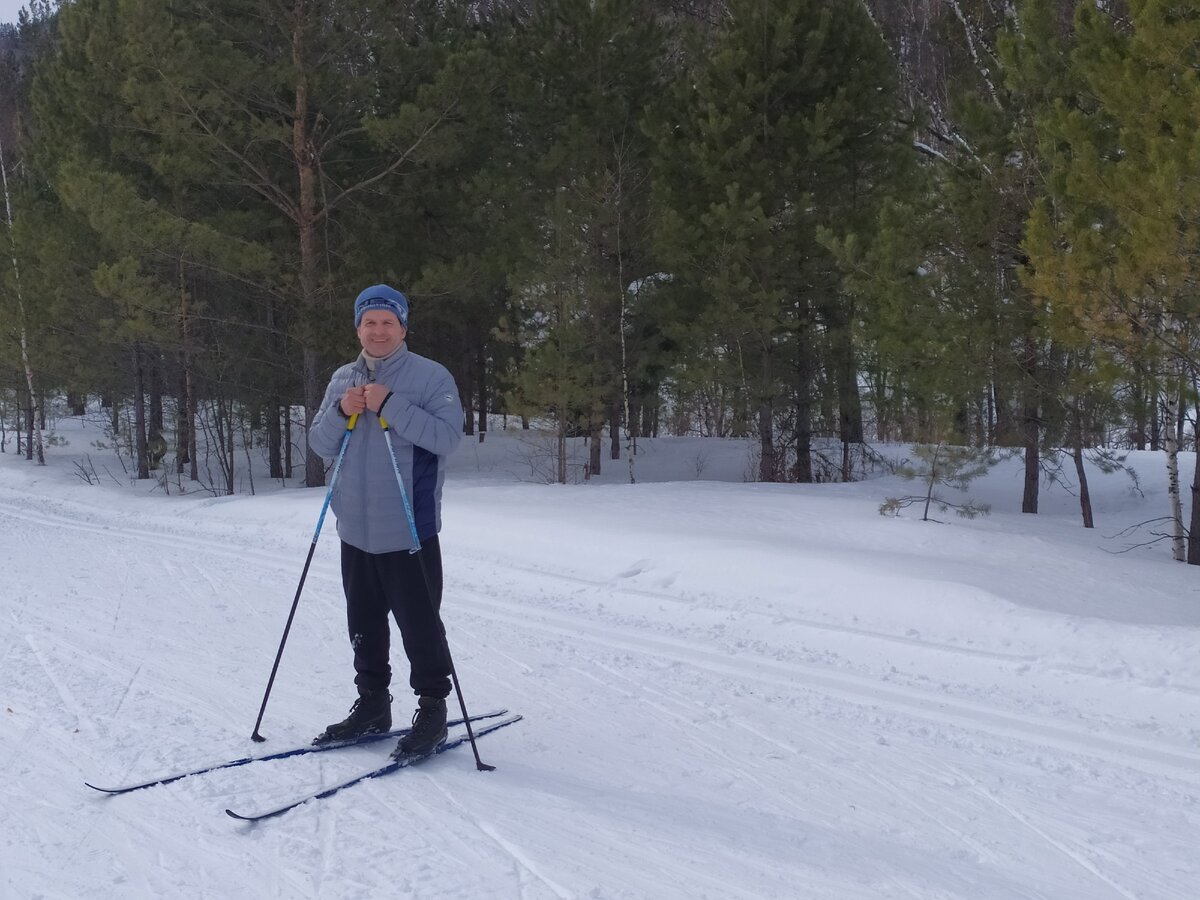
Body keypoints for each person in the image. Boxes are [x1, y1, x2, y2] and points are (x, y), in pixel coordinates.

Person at [307, 284, 464, 757]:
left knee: (420, 624)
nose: (378, 331)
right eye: (369, 322)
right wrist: (342, 410)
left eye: (387, 322)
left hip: (409, 530)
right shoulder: (342, 379)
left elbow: (446, 439)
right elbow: (319, 444)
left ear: (403, 328)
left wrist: (390, 404)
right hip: (355, 529)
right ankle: (373, 703)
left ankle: (433, 710)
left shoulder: (431, 377)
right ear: (358, 327)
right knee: (364, 622)